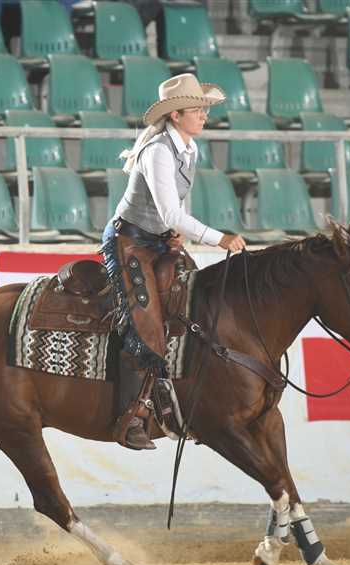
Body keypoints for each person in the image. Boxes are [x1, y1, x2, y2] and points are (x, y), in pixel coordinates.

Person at [101, 73, 247, 451]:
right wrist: (219, 238)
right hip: (128, 242)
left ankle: (184, 397)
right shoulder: (158, 151)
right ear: (177, 115)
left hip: (158, 239)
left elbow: (172, 209)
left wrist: (173, 234)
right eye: (197, 110)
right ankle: (132, 416)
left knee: (193, 306)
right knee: (145, 320)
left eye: (204, 109)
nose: (204, 116)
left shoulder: (188, 148)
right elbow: (170, 212)